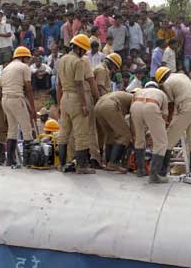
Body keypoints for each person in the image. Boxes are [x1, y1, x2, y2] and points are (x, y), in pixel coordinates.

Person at [57, 34, 97, 174]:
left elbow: (58, 83)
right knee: (81, 134)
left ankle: (61, 164)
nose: (85, 53)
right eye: (84, 50)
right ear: (79, 49)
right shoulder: (78, 62)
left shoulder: (62, 59)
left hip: (64, 98)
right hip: (76, 98)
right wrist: (84, 104)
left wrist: (59, 102)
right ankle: (82, 166)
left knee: (64, 132)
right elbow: (80, 84)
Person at [157, 66, 191, 183]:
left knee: (168, 140)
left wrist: (168, 123)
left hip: (185, 107)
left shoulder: (166, 84)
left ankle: (161, 172)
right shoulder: (182, 76)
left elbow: (171, 106)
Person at [0, 46, 36, 167]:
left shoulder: (6, 68)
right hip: (16, 99)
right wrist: (33, 108)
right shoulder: (24, 67)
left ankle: (10, 160)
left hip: (5, 99)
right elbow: (29, 89)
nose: (28, 60)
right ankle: (28, 161)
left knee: (12, 129)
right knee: (27, 129)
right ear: (23, 57)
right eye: (27, 58)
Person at [131, 81, 171, 183]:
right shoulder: (161, 93)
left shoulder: (139, 91)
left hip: (135, 105)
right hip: (152, 105)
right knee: (162, 143)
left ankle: (140, 170)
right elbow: (165, 116)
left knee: (139, 138)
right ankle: (154, 175)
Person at [93, 91, 134, 173]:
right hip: (110, 106)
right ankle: (114, 163)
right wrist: (133, 136)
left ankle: (108, 162)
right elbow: (132, 121)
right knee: (125, 135)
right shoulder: (136, 99)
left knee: (110, 134)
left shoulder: (125, 95)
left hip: (98, 106)